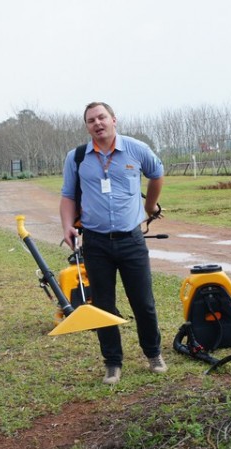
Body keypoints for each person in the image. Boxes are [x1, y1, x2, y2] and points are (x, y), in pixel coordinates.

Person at [59, 101, 167, 385]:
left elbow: (157, 174)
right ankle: (112, 363)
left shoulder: (136, 149)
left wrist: (151, 206)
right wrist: (67, 225)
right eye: (91, 120)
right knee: (103, 305)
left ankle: (153, 354)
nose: (98, 123)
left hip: (131, 239)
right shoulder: (77, 157)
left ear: (114, 120)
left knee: (143, 302)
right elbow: (68, 195)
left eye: (102, 117)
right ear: (87, 126)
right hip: (95, 242)